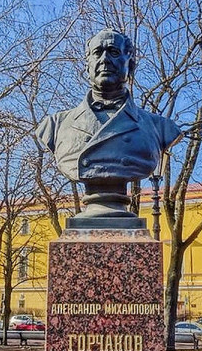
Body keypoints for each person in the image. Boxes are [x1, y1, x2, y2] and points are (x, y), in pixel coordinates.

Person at [35, 29, 181, 218]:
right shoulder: (55, 125)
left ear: (130, 65)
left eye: (114, 52)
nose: (105, 59)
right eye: (98, 53)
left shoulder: (159, 127)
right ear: (87, 66)